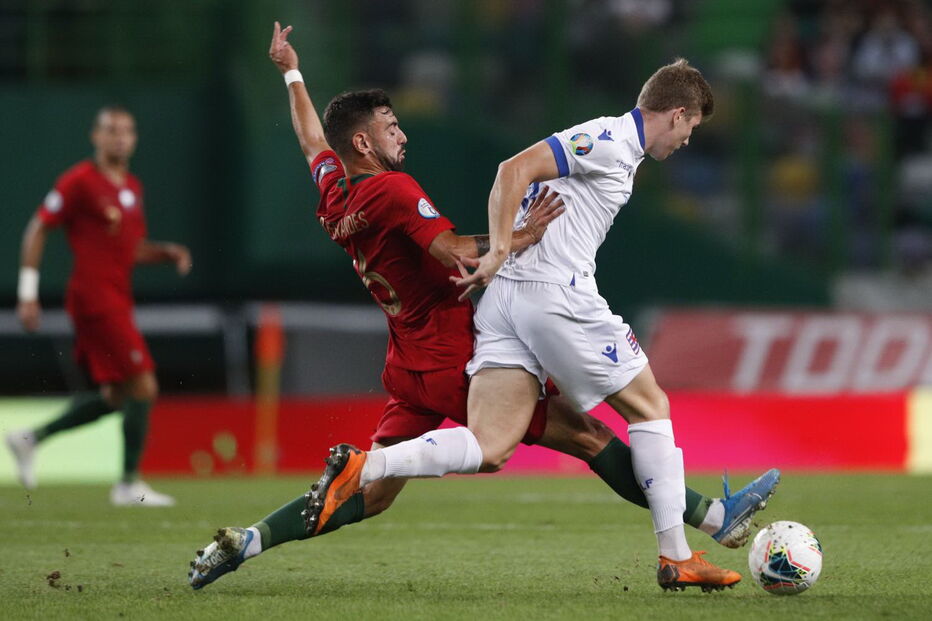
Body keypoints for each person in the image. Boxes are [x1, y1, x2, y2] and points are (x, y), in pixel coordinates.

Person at [188, 25, 777, 590]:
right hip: (451, 348)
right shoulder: (395, 189)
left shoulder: (334, 191)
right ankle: (695, 533)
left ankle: (251, 539)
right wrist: (511, 243)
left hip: (407, 362)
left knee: (381, 493)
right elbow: (453, 250)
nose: (404, 136)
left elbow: (313, 139)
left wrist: (293, 76)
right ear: (364, 143)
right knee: (589, 434)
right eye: (392, 128)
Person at [5, 105, 191, 507]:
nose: (120, 138)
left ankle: (29, 439)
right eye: (112, 131)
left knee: (117, 397)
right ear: (96, 136)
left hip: (116, 296)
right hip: (94, 298)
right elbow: (38, 228)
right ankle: (128, 483)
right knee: (144, 384)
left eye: (127, 131)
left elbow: (130, 249)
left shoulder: (131, 187)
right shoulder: (79, 182)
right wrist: (27, 292)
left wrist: (166, 253)